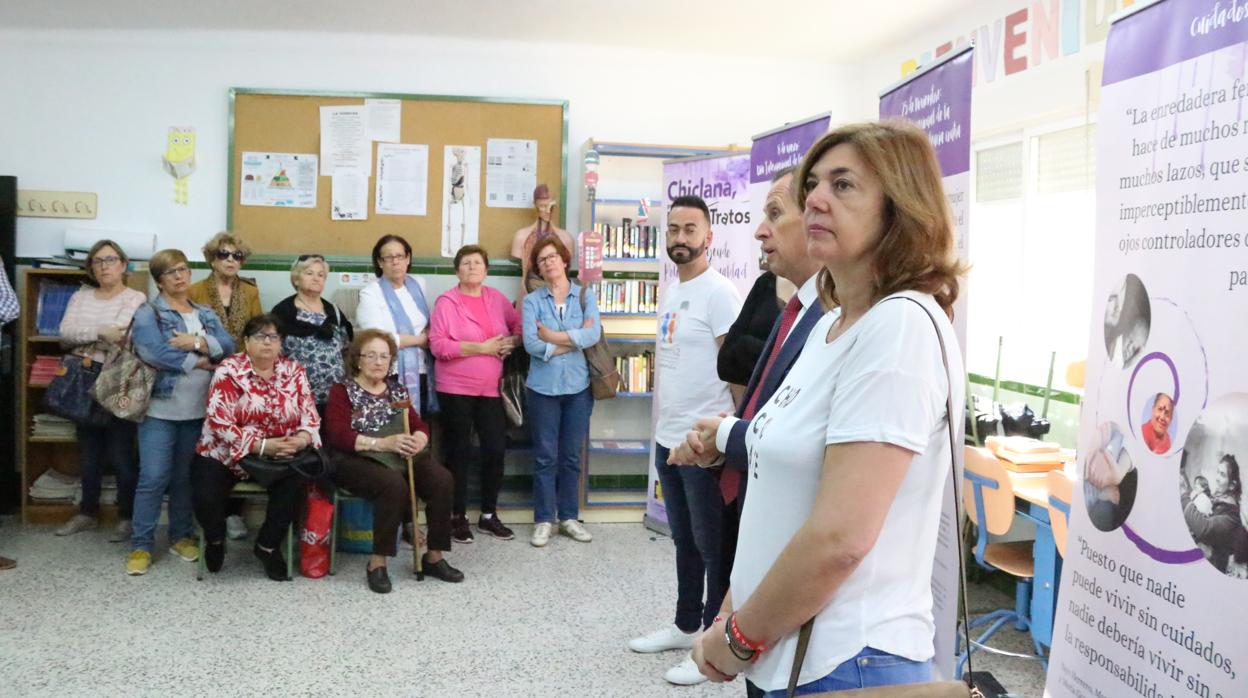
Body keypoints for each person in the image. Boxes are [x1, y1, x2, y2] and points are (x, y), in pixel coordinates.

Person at [684, 122, 967, 695]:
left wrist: (738, 639)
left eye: (843, 186)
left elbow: (841, 538)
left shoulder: (900, 327)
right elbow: (776, 493)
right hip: (780, 646)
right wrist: (733, 617)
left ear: (899, 207)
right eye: (813, 184)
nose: (814, 198)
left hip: (848, 660)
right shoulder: (833, 324)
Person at [669, 169, 825, 696]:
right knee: (695, 543)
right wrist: (727, 441)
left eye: (775, 214)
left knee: (712, 546)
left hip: (812, 615)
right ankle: (693, 621)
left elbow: (838, 533)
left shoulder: (844, 319)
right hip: (737, 475)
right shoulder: (795, 304)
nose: (760, 231)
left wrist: (733, 638)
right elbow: (749, 375)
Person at [629, 194, 743, 687]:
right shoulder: (673, 290)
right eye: (673, 229)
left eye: (689, 229)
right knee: (684, 541)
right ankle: (684, 625)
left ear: (708, 237)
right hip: (667, 436)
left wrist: (727, 438)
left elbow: (740, 377)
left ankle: (713, 648)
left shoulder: (721, 293)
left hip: (703, 445)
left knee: (713, 546)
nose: (679, 238)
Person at [326, 329, 464, 591]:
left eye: (385, 357)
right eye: (372, 356)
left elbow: (417, 425)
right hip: (353, 457)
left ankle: (434, 556)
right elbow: (338, 435)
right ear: (357, 360)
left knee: (442, 479)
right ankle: (377, 563)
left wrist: (419, 440)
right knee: (393, 485)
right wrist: (383, 443)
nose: (379, 362)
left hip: (397, 455)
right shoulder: (342, 391)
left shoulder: (396, 391)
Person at [127, 249, 233, 576]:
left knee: (185, 479)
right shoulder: (148, 313)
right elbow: (152, 351)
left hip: (198, 410)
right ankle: (141, 546)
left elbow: (228, 345)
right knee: (153, 478)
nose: (179, 276)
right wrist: (200, 360)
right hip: (160, 409)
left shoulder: (204, 312)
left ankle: (180, 536)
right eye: (171, 272)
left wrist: (196, 341)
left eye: (183, 269)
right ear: (159, 280)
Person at [193, 314, 321, 581]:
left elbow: (310, 416)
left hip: (279, 455)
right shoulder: (229, 369)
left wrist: (301, 439)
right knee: (204, 492)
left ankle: (267, 546)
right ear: (246, 342)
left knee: (297, 482)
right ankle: (215, 540)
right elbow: (219, 421)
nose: (268, 342)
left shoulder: (294, 371)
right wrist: (261, 446)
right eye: (260, 336)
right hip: (226, 453)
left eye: (274, 337)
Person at [428, 245, 521, 543]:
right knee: (459, 453)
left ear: (486, 269)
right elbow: (438, 346)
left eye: (477, 263)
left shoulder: (496, 299)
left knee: (495, 449)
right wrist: (481, 348)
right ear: (457, 270)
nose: (472, 267)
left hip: (491, 390)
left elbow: (519, 328)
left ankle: (488, 515)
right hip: (454, 388)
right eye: (465, 263)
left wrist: (511, 342)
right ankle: (457, 516)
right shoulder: (446, 302)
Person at [54, 240, 146, 541]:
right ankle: (86, 513)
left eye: (111, 259)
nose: (104, 266)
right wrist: (97, 332)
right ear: (91, 267)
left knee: (122, 454)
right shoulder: (80, 297)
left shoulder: (136, 297)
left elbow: (119, 335)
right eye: (98, 261)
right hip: (82, 379)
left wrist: (95, 337)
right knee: (88, 453)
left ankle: (127, 517)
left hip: (117, 379)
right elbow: (65, 335)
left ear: (123, 264)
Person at [521, 236, 600, 548]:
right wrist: (570, 341)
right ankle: (543, 519)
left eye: (553, 256)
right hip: (542, 388)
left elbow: (593, 333)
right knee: (544, 456)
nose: (548, 262)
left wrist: (552, 336)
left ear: (565, 261)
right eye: (542, 260)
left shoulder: (584, 295)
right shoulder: (531, 301)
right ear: (538, 268)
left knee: (570, 456)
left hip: (578, 386)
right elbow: (530, 343)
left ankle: (568, 516)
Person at [188, 231, 263, 541]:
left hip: (241, 378)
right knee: (207, 445)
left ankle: (233, 513)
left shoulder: (249, 292)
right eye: (224, 254)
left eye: (237, 256)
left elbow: (258, 332)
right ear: (211, 258)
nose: (231, 260)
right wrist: (207, 357)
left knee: (238, 442)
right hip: (203, 372)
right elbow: (188, 332)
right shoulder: (194, 290)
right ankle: (207, 515)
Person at [356, 234, 437, 415]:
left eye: (400, 256)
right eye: (389, 257)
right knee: (397, 423)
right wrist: (419, 340)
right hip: (389, 370)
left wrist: (429, 335)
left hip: (423, 367)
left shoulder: (418, 285)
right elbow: (378, 339)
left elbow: (429, 321)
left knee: (419, 424)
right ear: (379, 262)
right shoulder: (370, 293)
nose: (395, 262)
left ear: (408, 258)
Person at [271, 254, 353, 414]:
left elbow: (346, 348)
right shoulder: (283, 312)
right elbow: (273, 354)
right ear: (296, 279)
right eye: (309, 273)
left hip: (334, 398)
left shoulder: (334, 311)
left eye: (320, 275)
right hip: (296, 398)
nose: (316, 278)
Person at [510, 184, 575, 299]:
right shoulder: (522, 237)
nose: (547, 211)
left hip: (558, 296)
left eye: (550, 206)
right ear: (535, 206)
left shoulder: (566, 238)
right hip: (530, 292)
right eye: (543, 206)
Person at [1185, 455, 1247, 574]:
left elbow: (1203, 528)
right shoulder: (1217, 500)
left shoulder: (1231, 516)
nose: (1217, 478)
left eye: (1222, 474)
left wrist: (1184, 496)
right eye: (1218, 472)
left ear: (1232, 485)